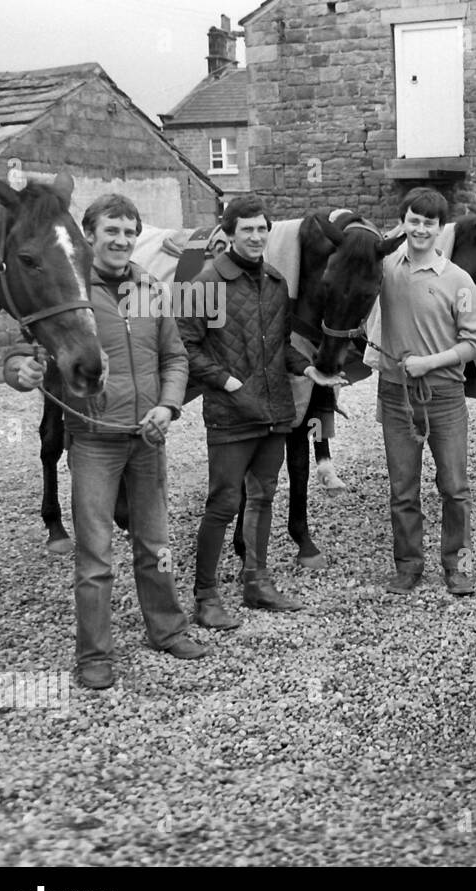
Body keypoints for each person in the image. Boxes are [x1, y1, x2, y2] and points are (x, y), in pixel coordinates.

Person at [2, 193, 211, 689]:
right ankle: (94, 654)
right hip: (94, 441)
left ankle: (166, 628)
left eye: (128, 232)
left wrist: (168, 406)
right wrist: (22, 372)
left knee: (155, 542)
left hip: (149, 437)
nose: (120, 240)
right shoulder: (68, 286)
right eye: (110, 231)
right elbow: (19, 357)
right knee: (94, 554)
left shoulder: (150, 288)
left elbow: (175, 358)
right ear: (89, 237)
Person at [178, 195, 340, 628]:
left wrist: (311, 370)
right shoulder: (205, 283)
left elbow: (281, 347)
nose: (255, 236)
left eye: (261, 229)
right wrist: (227, 381)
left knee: (263, 496)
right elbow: (185, 347)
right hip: (231, 414)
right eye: (246, 229)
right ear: (229, 234)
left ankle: (256, 581)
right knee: (223, 503)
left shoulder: (274, 282)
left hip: (273, 411)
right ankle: (206, 595)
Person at [368, 187, 476, 596]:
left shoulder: (459, 280)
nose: (420, 229)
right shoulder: (384, 269)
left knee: (455, 487)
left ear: (440, 229)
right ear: (402, 223)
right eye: (413, 221)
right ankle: (408, 565)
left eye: (429, 223)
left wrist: (431, 361)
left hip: (444, 397)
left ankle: (460, 566)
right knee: (402, 488)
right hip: (395, 394)